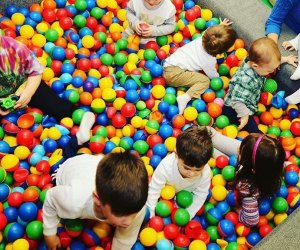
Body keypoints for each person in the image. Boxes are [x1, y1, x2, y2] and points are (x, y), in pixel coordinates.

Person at [43, 149, 149, 250]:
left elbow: (125, 240)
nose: (129, 221)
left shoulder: (136, 204)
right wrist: (49, 234)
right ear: (98, 200)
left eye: (134, 213)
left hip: (95, 165)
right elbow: (50, 199)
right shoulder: (74, 199)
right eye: (121, 214)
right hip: (67, 169)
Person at [209, 127, 285, 227]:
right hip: (251, 166)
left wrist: (238, 209)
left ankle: (210, 144)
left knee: (212, 150)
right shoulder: (274, 165)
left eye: (240, 152)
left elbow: (252, 221)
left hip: (245, 177)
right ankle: (212, 137)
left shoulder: (247, 188)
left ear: (251, 167)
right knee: (213, 138)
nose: (237, 150)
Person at [163, 19, 237, 114]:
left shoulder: (204, 36)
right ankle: (184, 98)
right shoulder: (208, 60)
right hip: (174, 76)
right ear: (221, 52)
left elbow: (212, 33)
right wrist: (221, 80)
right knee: (205, 81)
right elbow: (213, 77)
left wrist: (221, 26)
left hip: (169, 64)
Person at [223, 37, 296, 133]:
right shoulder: (245, 80)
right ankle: (260, 141)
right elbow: (236, 101)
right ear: (255, 66)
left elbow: (270, 60)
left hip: (248, 98)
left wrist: (286, 59)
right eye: (269, 70)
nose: (272, 71)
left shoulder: (253, 60)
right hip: (235, 108)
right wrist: (244, 116)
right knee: (253, 130)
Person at [0, 34, 76, 120]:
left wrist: (28, 92)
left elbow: (35, 71)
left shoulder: (14, 47)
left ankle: (81, 117)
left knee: (58, 108)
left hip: (26, 86)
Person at [147, 126, 213, 219]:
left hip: (185, 200)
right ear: (176, 155)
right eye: (187, 168)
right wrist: (151, 215)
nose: (192, 173)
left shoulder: (205, 172)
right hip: (165, 197)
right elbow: (154, 190)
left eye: (198, 170)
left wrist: (187, 215)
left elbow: (200, 195)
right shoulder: (165, 166)